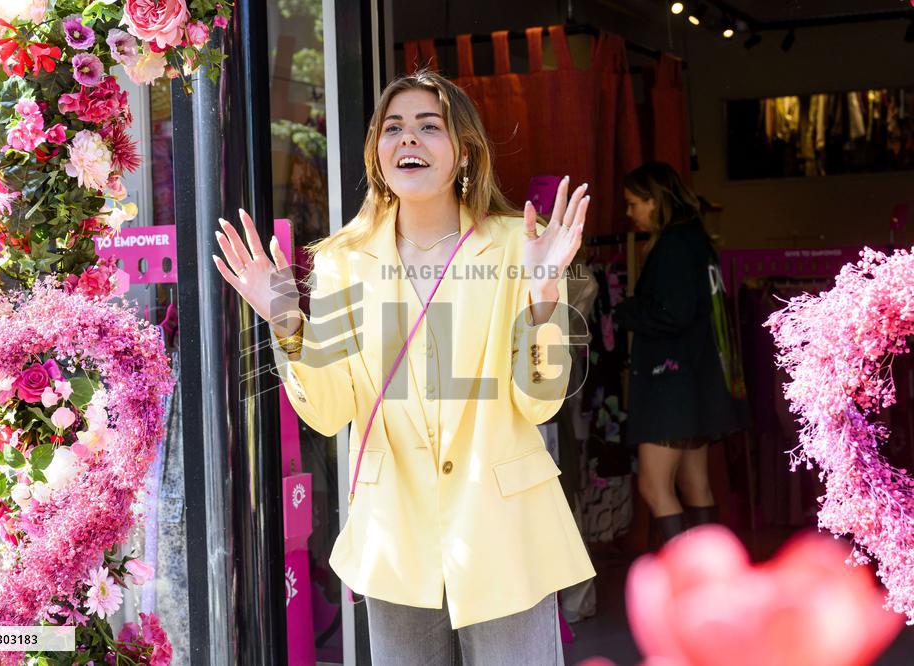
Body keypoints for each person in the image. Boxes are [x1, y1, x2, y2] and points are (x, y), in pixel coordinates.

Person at [213, 70, 595, 665]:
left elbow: (540, 401)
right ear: (376, 153)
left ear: (463, 150)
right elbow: (331, 408)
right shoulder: (342, 262)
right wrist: (285, 317)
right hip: (396, 540)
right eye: (393, 128)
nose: (407, 140)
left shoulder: (516, 245)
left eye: (427, 126)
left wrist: (543, 292)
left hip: (505, 536)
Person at [616, 161, 740, 545]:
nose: (629, 213)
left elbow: (673, 313)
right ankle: (714, 584)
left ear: (656, 201)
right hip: (698, 379)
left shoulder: (672, 244)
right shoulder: (697, 240)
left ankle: (689, 591)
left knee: (655, 488)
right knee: (695, 485)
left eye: (635, 203)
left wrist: (625, 309)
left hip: (669, 384)